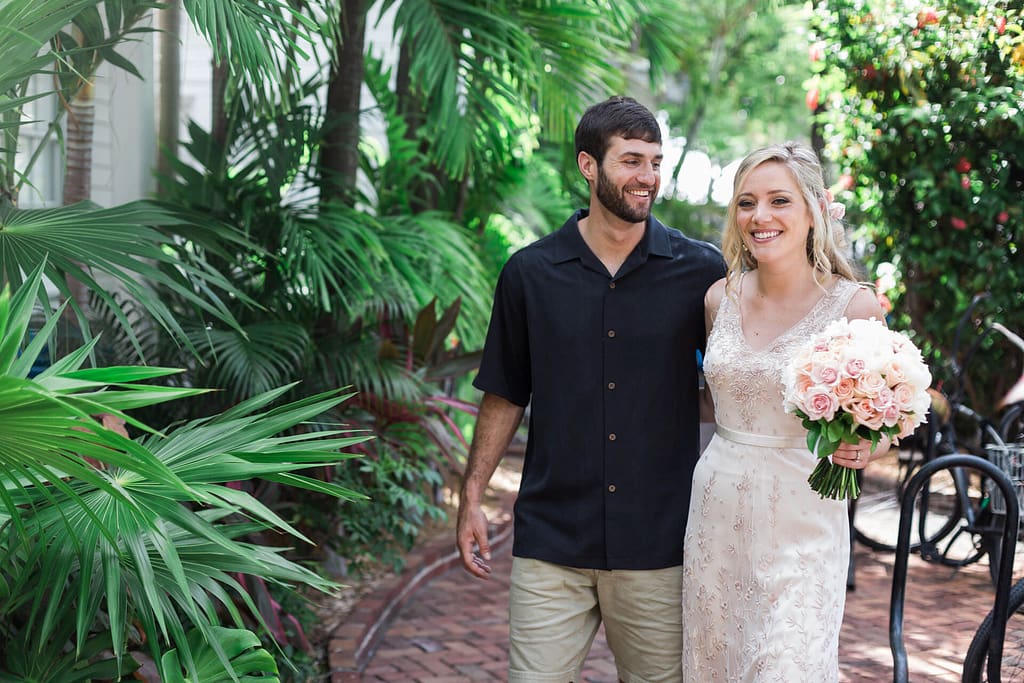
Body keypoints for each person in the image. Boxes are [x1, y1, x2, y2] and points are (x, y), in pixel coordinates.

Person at [456, 95, 726, 683]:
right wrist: (472, 493)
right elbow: (504, 391)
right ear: (588, 165)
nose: (648, 178)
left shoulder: (702, 271)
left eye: (655, 161)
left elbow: (742, 372)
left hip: (659, 542)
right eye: (631, 161)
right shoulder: (529, 273)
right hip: (552, 540)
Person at [682, 141, 888, 681]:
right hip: (717, 513)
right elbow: (714, 398)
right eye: (747, 203)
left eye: (779, 201)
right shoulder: (716, 300)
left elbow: (888, 420)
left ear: (815, 210)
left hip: (805, 517)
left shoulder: (854, 307)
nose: (761, 216)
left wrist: (868, 446)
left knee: (786, 665)